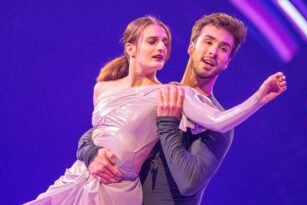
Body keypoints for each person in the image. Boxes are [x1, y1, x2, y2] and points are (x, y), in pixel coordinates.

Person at [77, 13, 287, 205]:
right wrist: (90, 153)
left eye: (223, 49)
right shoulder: (160, 92)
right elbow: (109, 127)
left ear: (227, 62)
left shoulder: (219, 122)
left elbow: (188, 182)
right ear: (191, 46)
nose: (213, 51)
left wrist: (168, 124)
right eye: (208, 42)